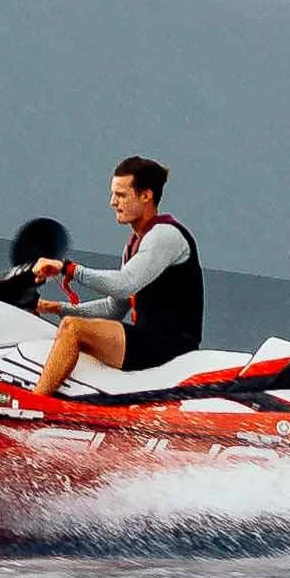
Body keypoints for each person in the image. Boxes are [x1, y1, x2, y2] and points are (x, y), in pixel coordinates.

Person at [28, 157, 204, 399]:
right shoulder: (134, 243)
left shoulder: (166, 235)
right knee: (67, 326)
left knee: (73, 329)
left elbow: (124, 285)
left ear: (146, 196)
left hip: (171, 346)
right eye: (113, 195)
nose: (113, 202)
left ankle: (35, 403)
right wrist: (53, 307)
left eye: (121, 195)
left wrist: (67, 269)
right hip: (149, 339)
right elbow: (114, 308)